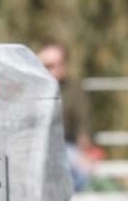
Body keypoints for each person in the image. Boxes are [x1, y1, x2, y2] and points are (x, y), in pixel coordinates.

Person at [37, 41, 102, 192]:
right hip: (35, 146)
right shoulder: (32, 89)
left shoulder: (74, 90)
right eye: (48, 65)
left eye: (59, 63)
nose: (55, 69)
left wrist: (85, 150)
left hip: (64, 146)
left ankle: (67, 200)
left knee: (82, 168)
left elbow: (83, 124)